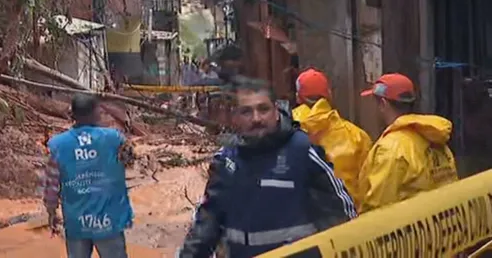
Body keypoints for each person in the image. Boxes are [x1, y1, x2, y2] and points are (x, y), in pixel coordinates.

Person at [177, 77, 357, 258]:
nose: (256, 118)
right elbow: (207, 223)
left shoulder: (303, 151)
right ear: (236, 117)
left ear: (277, 111)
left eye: (263, 109)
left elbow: (341, 215)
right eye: (246, 112)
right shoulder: (226, 160)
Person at [42, 94, 134, 258]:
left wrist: (51, 212)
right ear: (95, 112)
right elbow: (130, 160)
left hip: (77, 222)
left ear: (73, 115)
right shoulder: (114, 138)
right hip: (109, 221)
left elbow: (52, 183)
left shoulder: (59, 145)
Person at [358, 73, 458, 213]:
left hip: (410, 231)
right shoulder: (436, 139)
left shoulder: (391, 148)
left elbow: (377, 209)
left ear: (383, 104)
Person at [292, 68, 373, 209]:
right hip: (348, 218)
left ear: (298, 98)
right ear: (329, 95)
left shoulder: (286, 131)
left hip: (302, 221)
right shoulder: (357, 136)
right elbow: (368, 186)